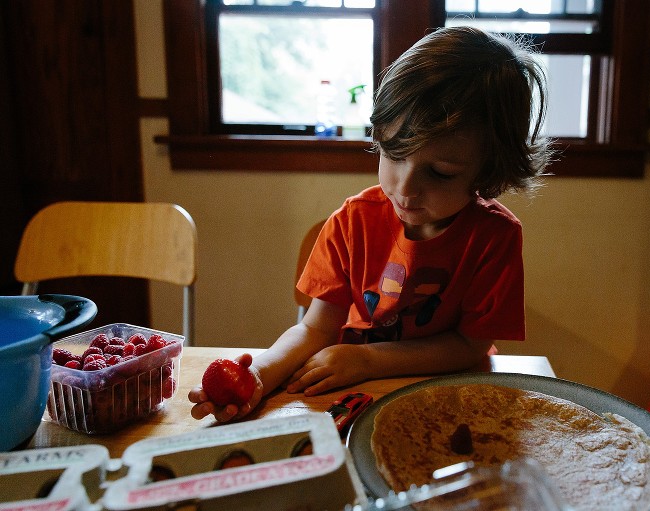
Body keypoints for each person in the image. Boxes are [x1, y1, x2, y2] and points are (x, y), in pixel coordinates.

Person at [189, 26, 551, 422]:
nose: (406, 188)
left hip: (451, 393)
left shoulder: (494, 237)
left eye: (441, 173)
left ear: (488, 172)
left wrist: (368, 358)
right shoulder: (352, 221)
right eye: (393, 154)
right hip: (355, 394)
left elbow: (471, 347)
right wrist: (257, 376)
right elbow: (315, 329)